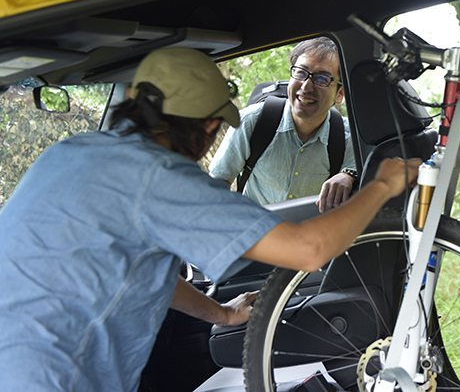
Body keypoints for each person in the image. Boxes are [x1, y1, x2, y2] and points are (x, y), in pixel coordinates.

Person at [0, 46, 420, 392]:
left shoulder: (72, 151)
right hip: (54, 377)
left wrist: (222, 314)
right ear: (207, 125)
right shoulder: (160, 175)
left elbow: (140, 273)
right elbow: (307, 250)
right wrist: (382, 185)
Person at [210, 37, 356, 212]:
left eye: (322, 78)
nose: (306, 86)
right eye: (301, 72)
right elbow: (218, 183)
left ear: (339, 94)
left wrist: (348, 176)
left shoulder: (348, 138)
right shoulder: (253, 121)